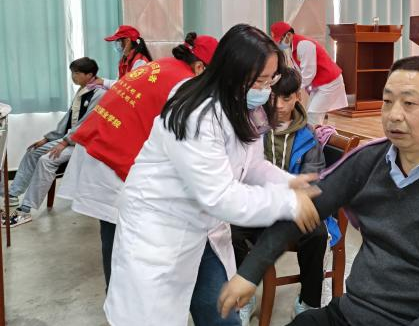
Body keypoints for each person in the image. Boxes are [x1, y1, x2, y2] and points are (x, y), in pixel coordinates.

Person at [219, 56, 419, 326]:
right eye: (387, 101)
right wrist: (250, 272)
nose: (393, 115)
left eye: (409, 103)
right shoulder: (371, 159)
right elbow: (305, 205)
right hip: (351, 313)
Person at [104, 24, 322, 326]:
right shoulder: (198, 114)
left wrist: (288, 182)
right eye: (260, 80)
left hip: (204, 231)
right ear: (232, 72)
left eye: (270, 79)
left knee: (222, 317)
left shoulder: (241, 105)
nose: (266, 89)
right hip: (160, 233)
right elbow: (220, 196)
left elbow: (252, 165)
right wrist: (289, 202)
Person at [58, 33, 218, 292]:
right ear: (200, 67)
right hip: (109, 158)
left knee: (116, 237)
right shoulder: (185, 83)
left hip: (99, 146)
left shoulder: (164, 65)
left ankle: (121, 300)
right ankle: (120, 303)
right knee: (121, 242)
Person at [231, 67, 329, 325]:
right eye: (274, 98)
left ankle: (308, 301)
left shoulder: (308, 136)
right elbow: (243, 173)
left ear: (298, 96)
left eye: (287, 98)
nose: (279, 105)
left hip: (291, 208)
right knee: (230, 231)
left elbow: (312, 181)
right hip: (257, 204)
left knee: (317, 234)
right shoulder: (252, 127)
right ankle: (245, 297)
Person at [5, 58, 105, 227]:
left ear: (90, 75)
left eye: (77, 73)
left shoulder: (100, 94)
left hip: (85, 143)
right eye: (72, 72)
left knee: (47, 160)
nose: (73, 76)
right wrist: (48, 138)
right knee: (33, 152)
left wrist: (64, 142)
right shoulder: (83, 89)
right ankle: (13, 194)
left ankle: (25, 209)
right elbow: (69, 119)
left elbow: (87, 124)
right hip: (70, 139)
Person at [270, 21, 347, 125]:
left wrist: (293, 88)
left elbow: (309, 73)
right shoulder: (293, 47)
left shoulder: (304, 45)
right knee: (310, 113)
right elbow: (299, 71)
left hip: (329, 83)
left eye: (279, 41)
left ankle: (315, 134)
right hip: (320, 84)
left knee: (313, 114)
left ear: (288, 35)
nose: (279, 44)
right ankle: (318, 132)